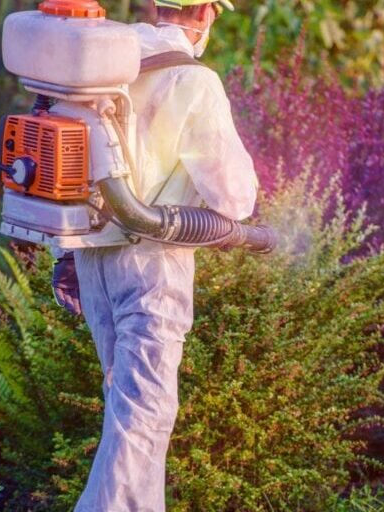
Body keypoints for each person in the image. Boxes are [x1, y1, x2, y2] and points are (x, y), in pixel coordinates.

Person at [65, 1, 258, 510]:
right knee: (143, 419)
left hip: (91, 256)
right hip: (152, 260)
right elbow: (233, 198)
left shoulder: (103, 63)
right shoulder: (194, 81)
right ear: (204, 15)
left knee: (127, 410)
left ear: (152, 7)